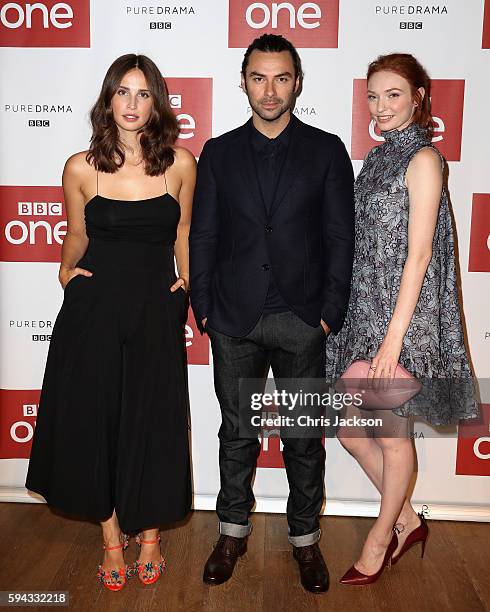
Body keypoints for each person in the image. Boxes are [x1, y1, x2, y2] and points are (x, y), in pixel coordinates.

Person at [189, 34, 354, 594]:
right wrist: (204, 308)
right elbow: (204, 235)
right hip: (234, 320)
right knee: (237, 434)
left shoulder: (327, 150)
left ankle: (305, 540)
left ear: (297, 83)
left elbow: (339, 236)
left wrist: (328, 312)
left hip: (302, 318)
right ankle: (232, 531)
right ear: (243, 81)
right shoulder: (218, 152)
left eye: (281, 78)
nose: (270, 90)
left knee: (304, 437)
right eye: (258, 77)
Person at [25, 54, 196, 591]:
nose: (131, 104)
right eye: (122, 92)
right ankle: (110, 538)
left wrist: (186, 286)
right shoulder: (81, 166)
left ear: (157, 102)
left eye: (143, 94)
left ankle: (149, 536)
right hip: (93, 309)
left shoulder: (180, 164)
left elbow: (184, 232)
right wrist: (65, 270)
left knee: (151, 418)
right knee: (97, 419)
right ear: (107, 99)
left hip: (154, 308)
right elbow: (76, 233)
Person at [325, 53, 479, 586]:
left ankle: (379, 538)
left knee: (391, 436)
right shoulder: (376, 159)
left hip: (402, 322)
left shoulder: (425, 161)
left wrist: (393, 343)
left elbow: (418, 257)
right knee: (349, 430)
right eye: (373, 95)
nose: (381, 106)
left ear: (418, 97)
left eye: (394, 94)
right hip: (365, 313)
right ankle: (408, 520)